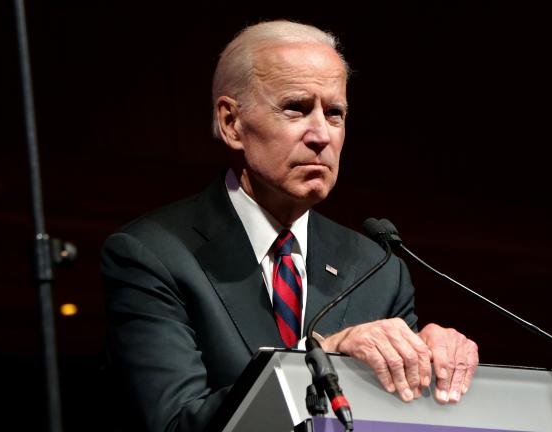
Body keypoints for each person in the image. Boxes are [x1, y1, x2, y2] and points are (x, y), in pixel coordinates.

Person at [101, 20, 478, 432]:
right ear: (231, 123)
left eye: (334, 113)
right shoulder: (153, 254)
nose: (321, 135)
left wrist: (434, 360)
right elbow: (175, 424)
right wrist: (317, 357)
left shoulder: (379, 269)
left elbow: (401, 415)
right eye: (296, 108)